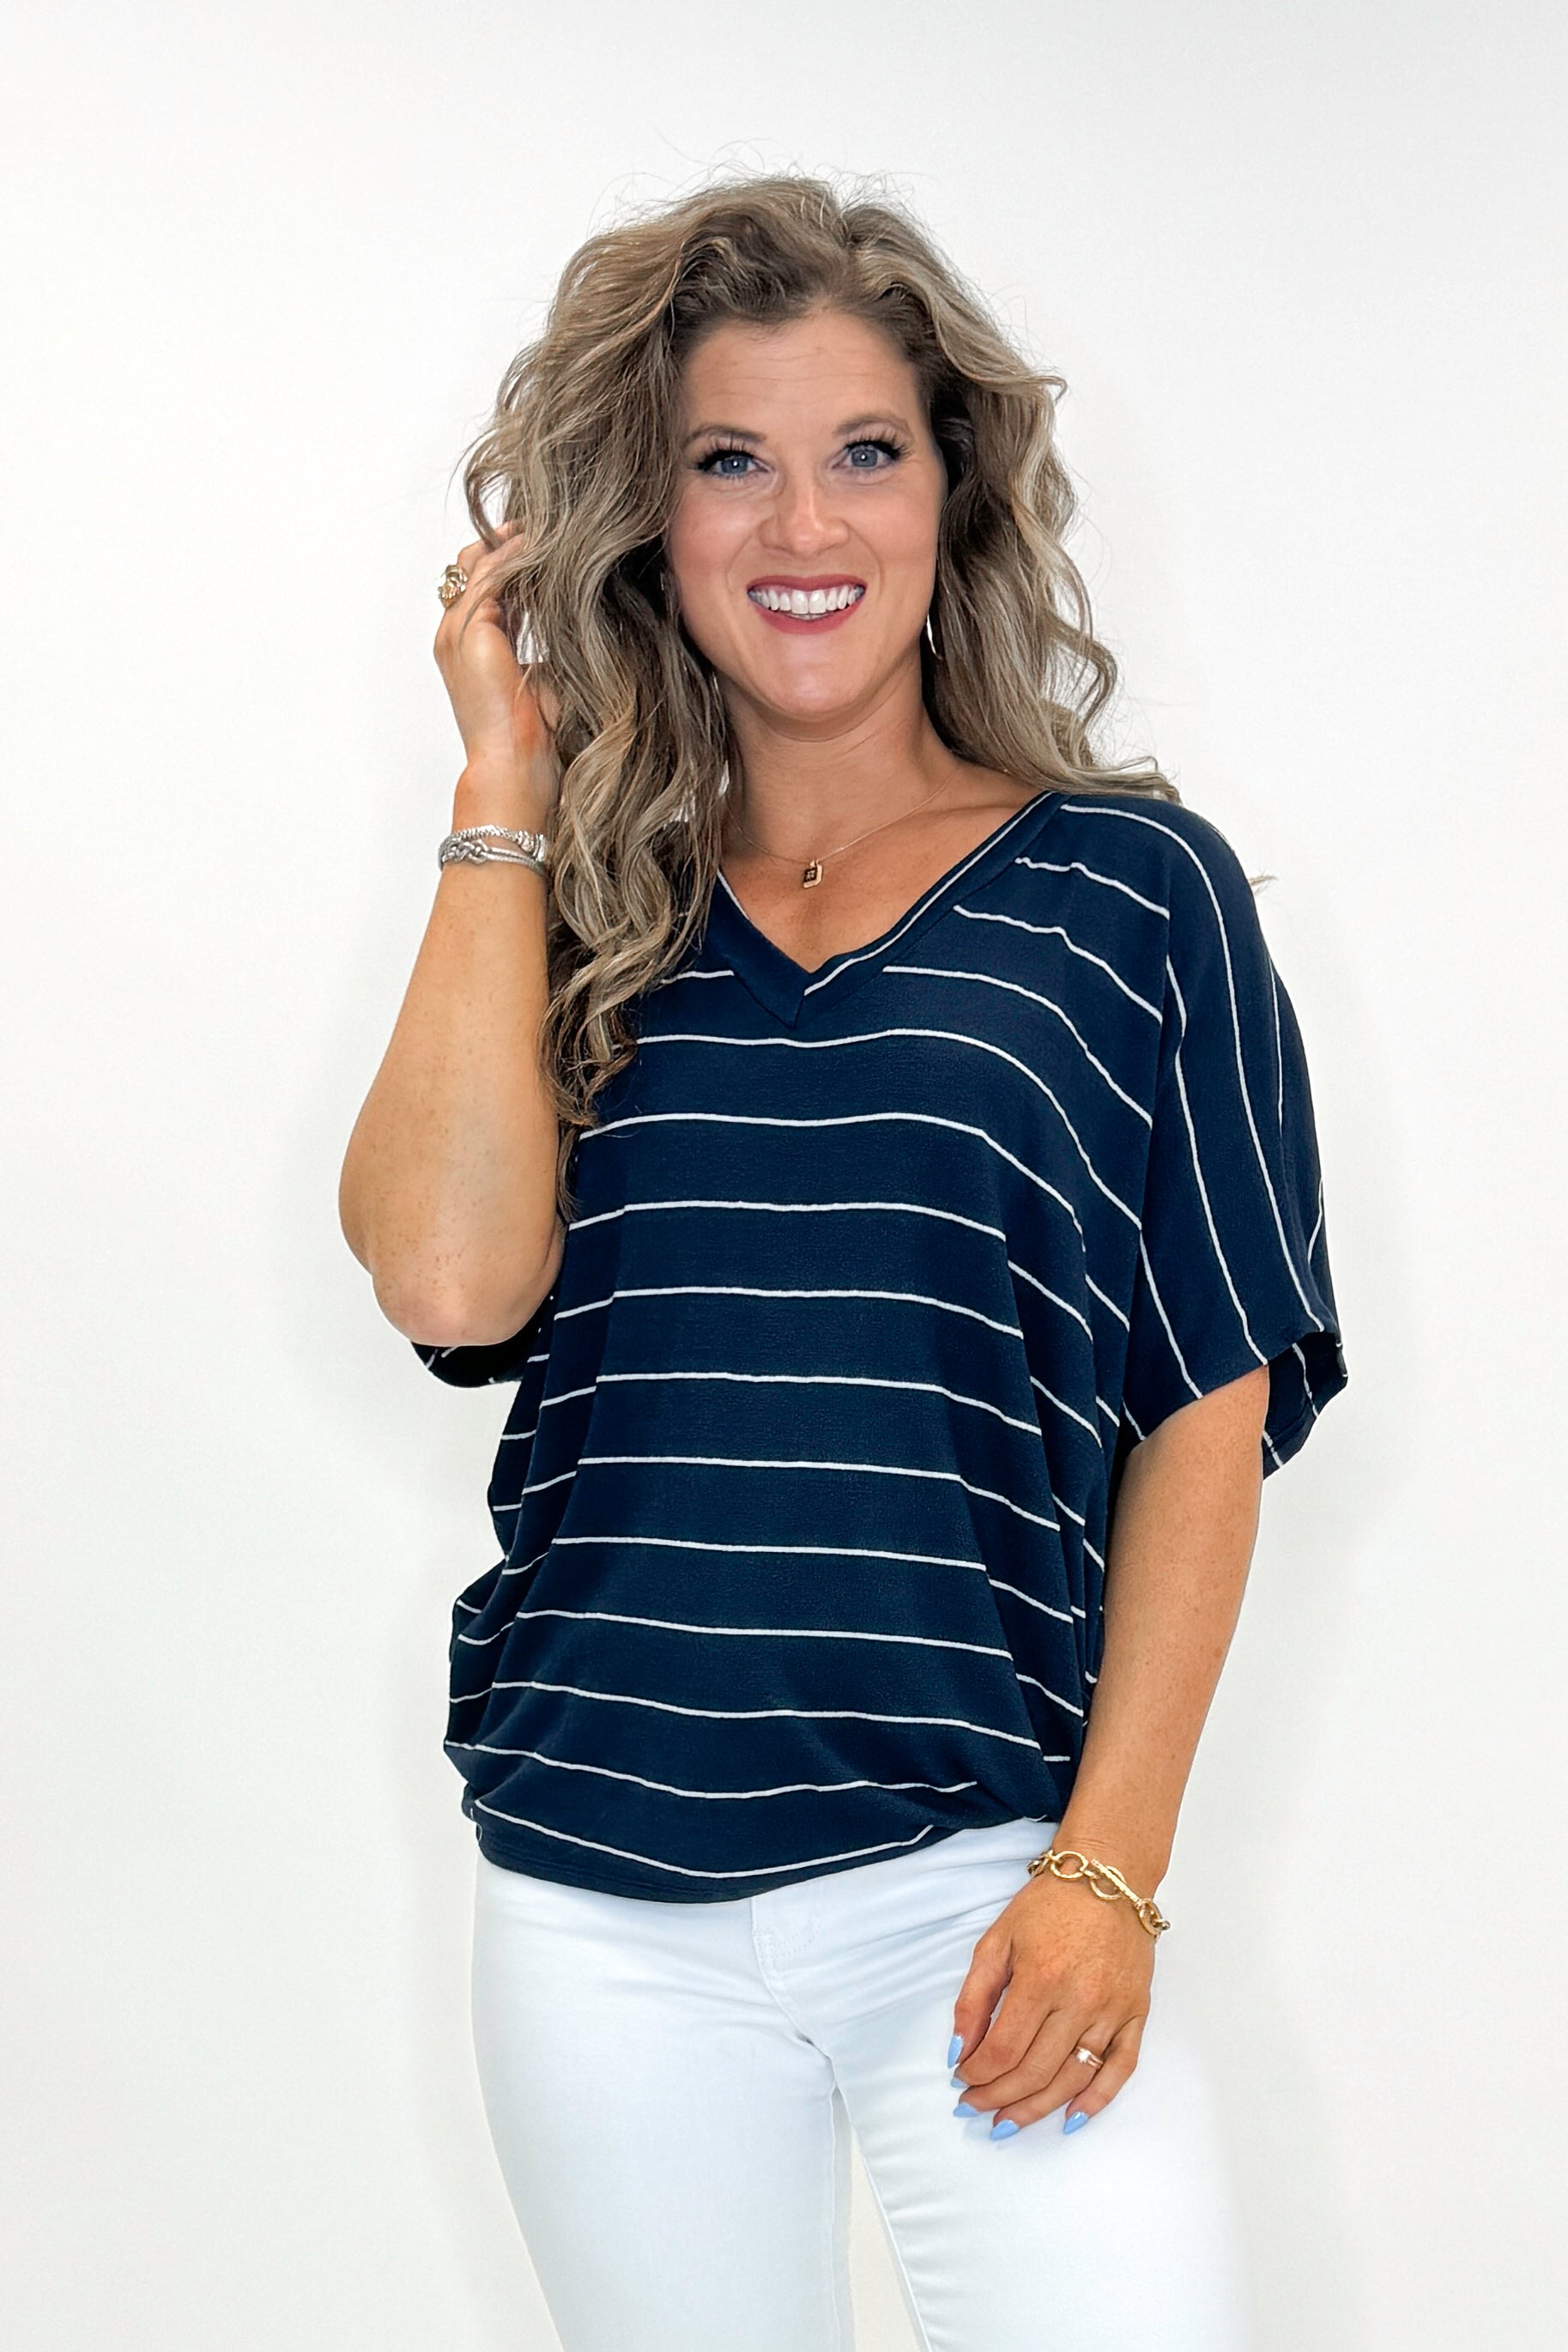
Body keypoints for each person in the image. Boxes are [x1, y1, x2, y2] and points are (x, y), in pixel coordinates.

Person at [338, 170, 1347, 2352]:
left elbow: (1213, 1394)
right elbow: (439, 1278)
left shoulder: (1128, 894)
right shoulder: (581, 908)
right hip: (596, 1900)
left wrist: (1105, 1867)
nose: (803, 521)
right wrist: (503, 777)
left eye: (861, 450)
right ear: (652, 521)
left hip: (981, 1874)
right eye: (729, 460)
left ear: (948, 490)